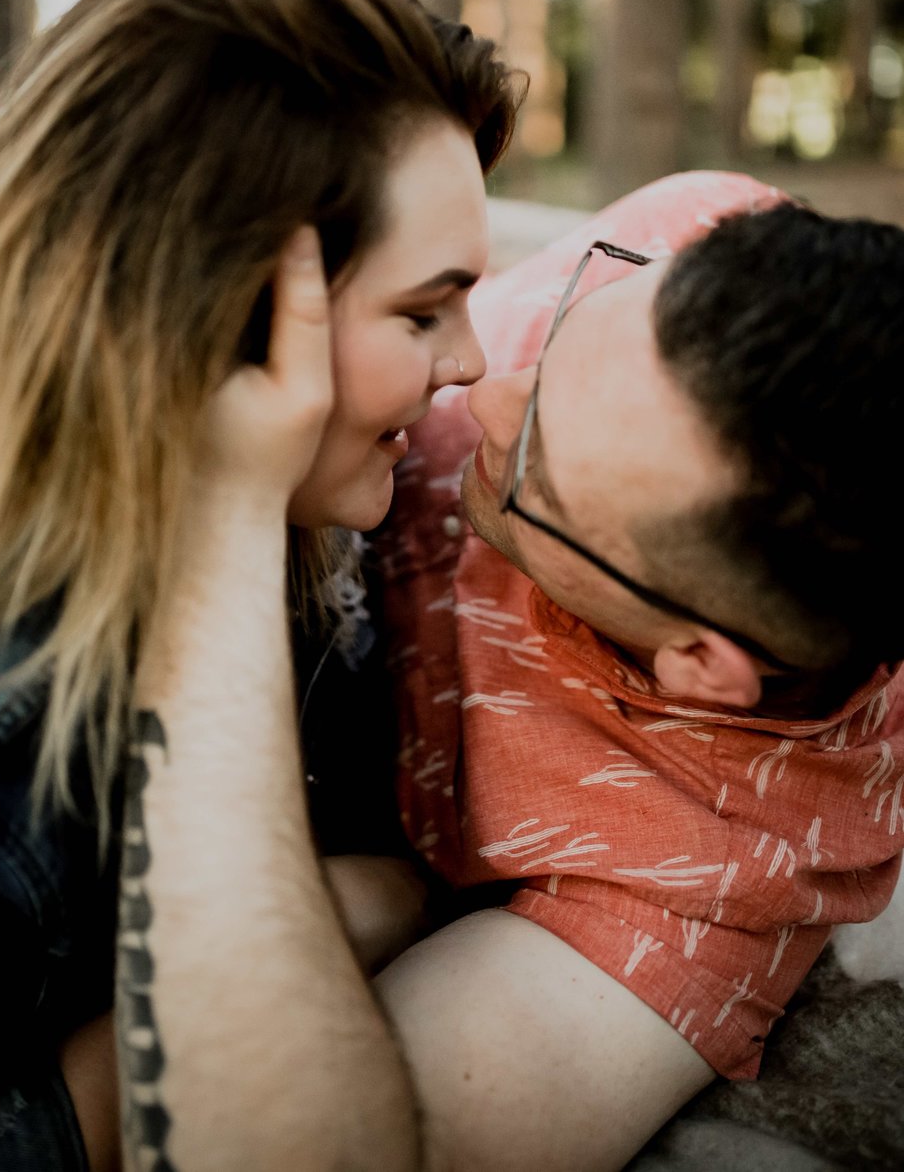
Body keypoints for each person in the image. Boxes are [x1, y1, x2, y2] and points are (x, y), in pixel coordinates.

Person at [0, 0, 522, 1171]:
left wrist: (371, 896)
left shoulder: (334, 532)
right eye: (423, 309)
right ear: (234, 325)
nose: (470, 363)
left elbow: (389, 860)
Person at [370, 169, 904, 1170]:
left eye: (534, 460)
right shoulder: (700, 230)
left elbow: (335, 1143)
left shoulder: (685, 901)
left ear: (701, 663)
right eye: (565, 333)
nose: (484, 390)